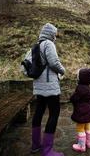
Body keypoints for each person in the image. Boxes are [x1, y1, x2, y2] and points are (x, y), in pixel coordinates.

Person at [27, 23, 65, 156]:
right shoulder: (49, 44)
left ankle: (35, 145)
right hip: (50, 86)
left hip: (39, 86)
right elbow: (54, 62)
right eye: (54, 34)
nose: (55, 36)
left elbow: (24, 67)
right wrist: (63, 70)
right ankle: (47, 150)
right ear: (50, 34)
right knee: (54, 113)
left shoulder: (35, 46)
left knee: (39, 112)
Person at [70, 68, 90, 152]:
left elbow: (75, 98)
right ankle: (88, 143)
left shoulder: (80, 88)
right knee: (87, 126)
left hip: (81, 111)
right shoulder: (89, 87)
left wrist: (72, 98)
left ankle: (81, 146)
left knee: (80, 128)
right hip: (88, 110)